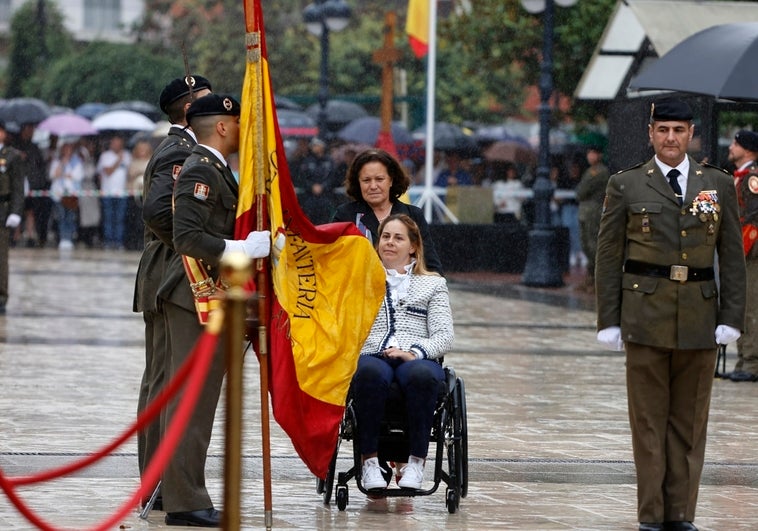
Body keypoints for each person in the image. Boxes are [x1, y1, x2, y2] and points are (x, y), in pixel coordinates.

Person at [595, 97, 746, 531]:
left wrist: (731, 315)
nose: (670, 139)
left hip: (700, 318)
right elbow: (609, 256)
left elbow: (731, 256)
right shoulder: (627, 185)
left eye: (679, 131)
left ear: (691, 134)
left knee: (689, 425)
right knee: (647, 424)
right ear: (650, 134)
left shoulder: (715, 184)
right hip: (645, 316)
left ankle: (681, 515)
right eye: (662, 130)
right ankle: (651, 516)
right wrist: (609, 318)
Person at [157, 93, 270, 527]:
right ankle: (185, 502)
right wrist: (240, 248)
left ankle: (186, 493)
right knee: (192, 400)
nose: (243, 131)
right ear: (222, 126)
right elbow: (186, 236)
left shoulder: (218, 168)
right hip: (192, 297)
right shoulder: (201, 169)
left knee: (199, 401)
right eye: (238, 123)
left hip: (206, 295)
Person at [133, 74, 212, 514]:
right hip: (174, 273)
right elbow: (158, 209)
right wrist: (195, 244)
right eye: (206, 100)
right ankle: (169, 486)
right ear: (187, 109)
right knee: (172, 382)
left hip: (163, 271)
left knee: (161, 381)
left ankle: (158, 484)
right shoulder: (182, 151)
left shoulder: (180, 148)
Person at [353, 214, 454, 491]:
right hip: (374, 352)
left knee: (423, 375)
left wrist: (415, 352)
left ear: (413, 246)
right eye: (385, 237)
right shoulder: (362, 281)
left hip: (417, 356)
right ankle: (370, 462)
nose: (389, 243)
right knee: (369, 373)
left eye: (398, 238)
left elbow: (445, 336)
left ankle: (416, 463)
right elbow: (348, 327)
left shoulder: (433, 284)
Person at [332, 148, 443, 274]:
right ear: (358, 183)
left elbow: (431, 265)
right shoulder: (345, 215)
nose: (373, 186)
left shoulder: (413, 215)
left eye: (379, 179)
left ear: (391, 180)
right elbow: (332, 260)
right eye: (366, 180)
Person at [726, 129, 758, 382]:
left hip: (750, 253)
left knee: (750, 307)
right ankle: (743, 359)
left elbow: (752, 219)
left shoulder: (752, 178)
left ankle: (751, 362)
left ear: (747, 150)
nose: (730, 147)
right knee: (739, 306)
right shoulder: (739, 176)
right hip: (739, 251)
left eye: (735, 144)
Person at [0, 120, 25, 313]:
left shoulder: (12, 156)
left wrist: (16, 212)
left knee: (1, 257)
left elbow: (18, 188)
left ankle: (1, 296)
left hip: (2, 210)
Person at [12, 123, 50, 247]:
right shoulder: (14, 145)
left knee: (30, 211)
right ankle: (15, 235)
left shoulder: (34, 147)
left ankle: (30, 235)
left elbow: (39, 166)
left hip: (32, 184)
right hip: (17, 182)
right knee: (16, 210)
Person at [575, 146, 610, 285]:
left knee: (593, 244)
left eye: (593, 153)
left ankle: (598, 277)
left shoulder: (600, 172)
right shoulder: (590, 171)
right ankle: (591, 277)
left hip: (593, 212)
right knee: (585, 243)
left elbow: (581, 191)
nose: (590, 156)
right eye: (589, 153)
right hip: (585, 212)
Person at [48, 140, 84, 250]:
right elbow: (53, 175)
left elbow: (77, 176)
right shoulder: (57, 161)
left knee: (71, 217)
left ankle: (69, 238)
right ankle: (63, 238)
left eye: (69, 149)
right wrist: (62, 165)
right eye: (65, 149)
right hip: (59, 194)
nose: (67, 151)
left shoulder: (77, 162)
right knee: (61, 216)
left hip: (71, 194)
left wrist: (66, 175)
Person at [97, 135, 131, 249]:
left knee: (120, 218)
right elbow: (108, 171)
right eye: (115, 143)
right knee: (109, 218)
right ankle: (108, 240)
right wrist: (118, 161)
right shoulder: (105, 156)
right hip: (108, 192)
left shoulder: (127, 155)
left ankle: (118, 241)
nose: (117, 145)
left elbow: (129, 174)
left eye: (119, 143)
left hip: (122, 193)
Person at [297, 137, 339, 224]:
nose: (314, 147)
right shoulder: (307, 161)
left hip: (325, 196)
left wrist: (323, 186)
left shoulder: (329, 161)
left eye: (316, 145)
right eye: (313, 145)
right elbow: (302, 178)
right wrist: (311, 186)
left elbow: (333, 177)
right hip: (310, 197)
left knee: (325, 220)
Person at [125, 139, 153, 250]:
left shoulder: (151, 161)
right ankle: (132, 242)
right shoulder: (133, 162)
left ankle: (143, 242)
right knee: (133, 219)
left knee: (144, 221)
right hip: (133, 194)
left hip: (146, 195)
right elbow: (131, 174)